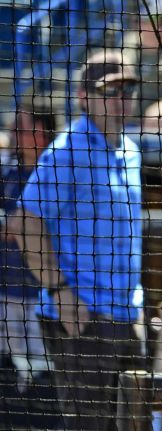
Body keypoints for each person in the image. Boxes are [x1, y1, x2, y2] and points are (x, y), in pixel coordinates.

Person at [8, 50, 145, 431]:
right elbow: (26, 221)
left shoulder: (130, 150)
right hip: (81, 318)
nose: (120, 100)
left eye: (127, 90)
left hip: (124, 315)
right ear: (83, 97)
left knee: (136, 423)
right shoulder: (67, 153)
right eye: (109, 91)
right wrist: (60, 290)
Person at [0, 97, 56, 393]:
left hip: (46, 291)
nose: (12, 132)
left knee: (47, 365)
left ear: (40, 130)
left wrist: (17, 228)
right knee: (15, 365)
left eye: (19, 127)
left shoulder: (55, 169)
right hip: (8, 288)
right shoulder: (10, 170)